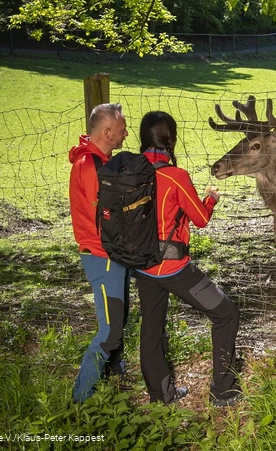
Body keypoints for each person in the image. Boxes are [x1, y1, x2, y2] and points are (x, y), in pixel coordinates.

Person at [134, 110, 242, 407]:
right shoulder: (175, 176)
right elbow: (201, 218)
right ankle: (224, 391)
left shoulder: (129, 171)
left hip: (142, 266)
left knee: (151, 328)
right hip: (173, 268)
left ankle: (160, 395)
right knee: (226, 313)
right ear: (171, 139)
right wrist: (211, 199)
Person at [68, 103, 131, 403]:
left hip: (108, 255)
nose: (126, 134)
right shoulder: (91, 166)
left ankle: (114, 378)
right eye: (122, 130)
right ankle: (82, 399)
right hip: (103, 257)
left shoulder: (95, 160)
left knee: (116, 319)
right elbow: (107, 213)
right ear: (107, 132)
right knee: (109, 331)